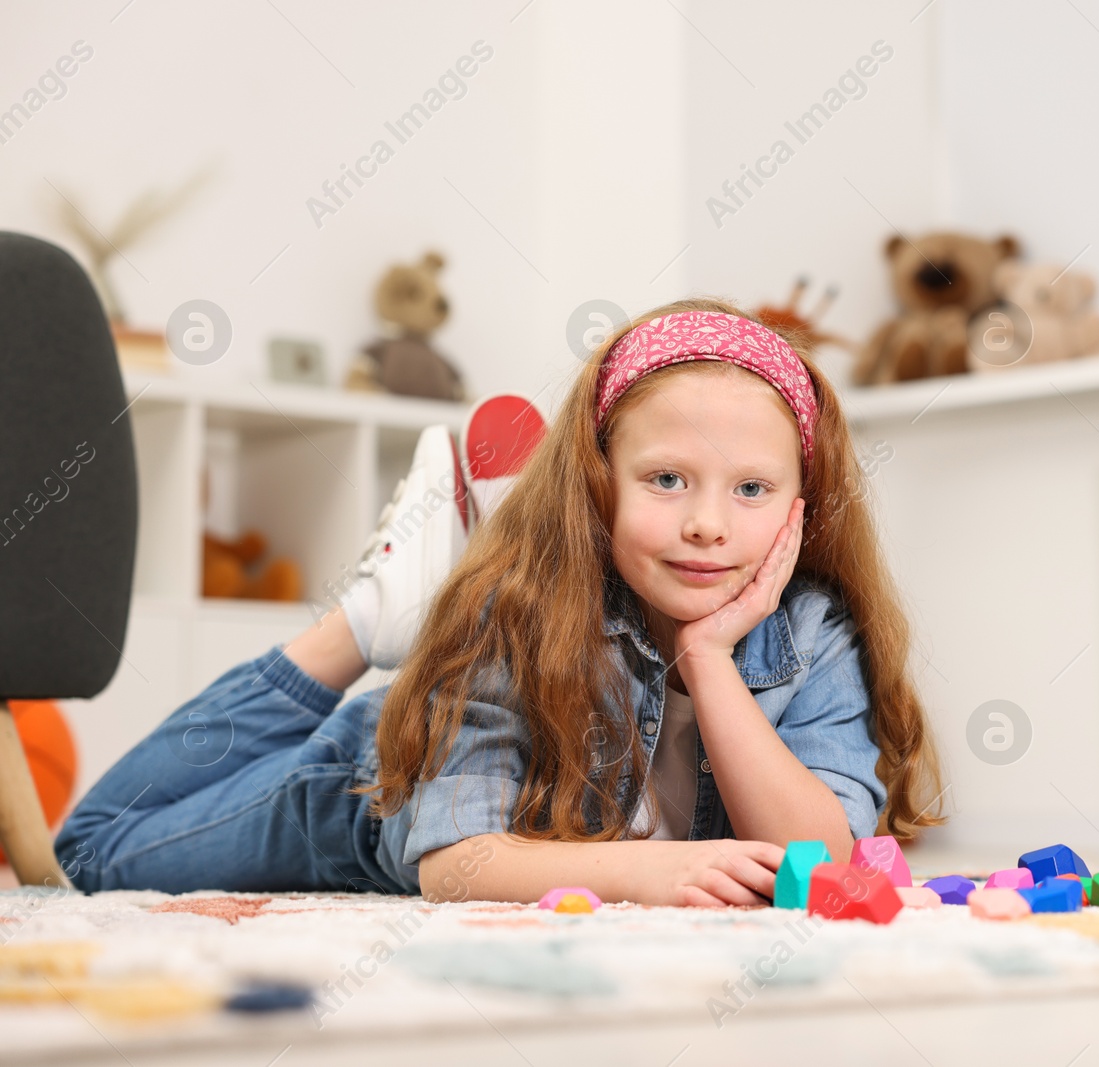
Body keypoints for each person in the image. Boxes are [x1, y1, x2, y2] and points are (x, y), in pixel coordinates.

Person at [55, 298, 945, 906]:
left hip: (501, 713)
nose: (709, 524)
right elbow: (454, 862)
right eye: (666, 479)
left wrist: (710, 661)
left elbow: (820, 863)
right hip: (363, 781)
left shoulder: (813, 629)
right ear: (596, 486)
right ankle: (369, 620)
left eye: (751, 489)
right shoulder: (521, 612)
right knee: (88, 853)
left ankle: (410, 604)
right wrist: (652, 872)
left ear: (802, 506)